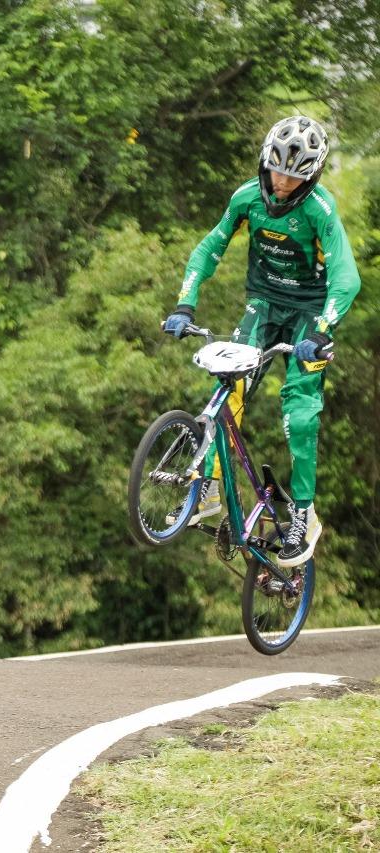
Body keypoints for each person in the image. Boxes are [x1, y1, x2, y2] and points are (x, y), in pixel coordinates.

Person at [163, 115, 360, 567]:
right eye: (276, 168)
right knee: (227, 388)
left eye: (294, 174)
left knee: (301, 412)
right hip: (263, 307)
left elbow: (347, 278)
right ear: (265, 161)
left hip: (310, 316)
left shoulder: (319, 210)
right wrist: (184, 303)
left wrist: (322, 329)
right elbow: (208, 248)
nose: (283, 180)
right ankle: (207, 488)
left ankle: (304, 515)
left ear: (312, 175)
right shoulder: (248, 198)